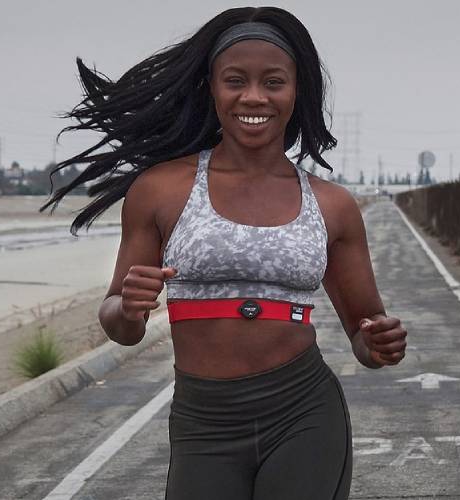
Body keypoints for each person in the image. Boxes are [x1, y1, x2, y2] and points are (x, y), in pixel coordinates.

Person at [40, 6, 408, 499]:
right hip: (202, 422)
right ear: (211, 87)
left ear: (296, 93)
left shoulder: (333, 205)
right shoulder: (161, 190)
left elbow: (365, 336)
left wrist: (379, 343)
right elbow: (120, 328)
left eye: (273, 82)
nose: (254, 96)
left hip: (305, 413)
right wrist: (128, 306)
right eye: (235, 80)